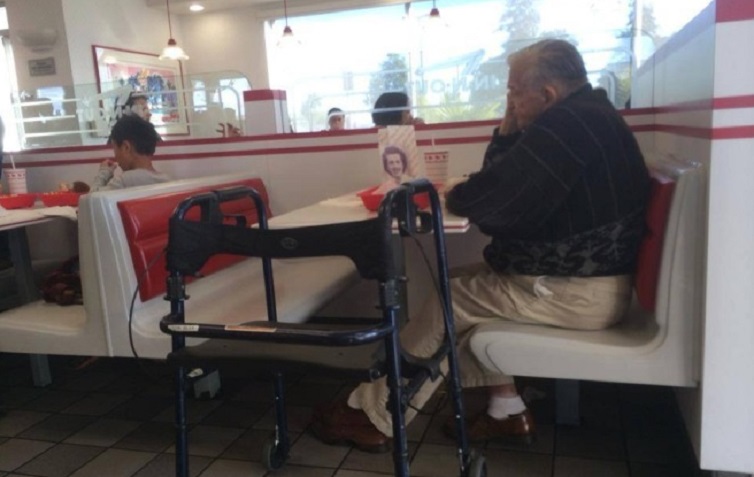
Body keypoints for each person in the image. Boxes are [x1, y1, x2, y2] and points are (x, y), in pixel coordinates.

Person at [310, 39, 650, 452]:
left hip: (577, 292)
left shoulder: (568, 125)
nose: (508, 99)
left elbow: (487, 202)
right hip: (587, 282)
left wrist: (462, 192)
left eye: (512, 91)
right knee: (455, 287)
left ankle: (376, 415)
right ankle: (506, 408)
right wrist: (509, 125)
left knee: (451, 301)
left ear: (547, 94)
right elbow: (499, 182)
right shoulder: (586, 115)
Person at [91, 115, 171, 192]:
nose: (116, 157)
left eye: (115, 149)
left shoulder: (124, 182)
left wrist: (104, 172)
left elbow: (91, 200)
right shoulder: (167, 180)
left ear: (126, 147)